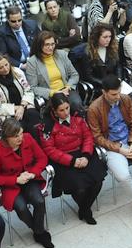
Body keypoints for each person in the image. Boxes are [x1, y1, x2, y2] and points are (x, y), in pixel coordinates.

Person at [87, 74, 132, 224]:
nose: (117, 97)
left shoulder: (126, 99)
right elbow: (97, 138)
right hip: (112, 146)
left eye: (119, 93)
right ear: (104, 92)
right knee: (122, 176)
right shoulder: (94, 109)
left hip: (129, 140)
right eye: (113, 94)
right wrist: (120, 149)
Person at [37, 93, 107, 224]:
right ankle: (86, 210)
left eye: (67, 108)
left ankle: (84, 208)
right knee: (79, 187)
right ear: (54, 111)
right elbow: (50, 150)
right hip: (63, 159)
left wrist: (86, 155)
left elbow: (87, 136)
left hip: (82, 153)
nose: (66, 112)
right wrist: (72, 161)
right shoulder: (46, 126)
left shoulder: (78, 115)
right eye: (61, 110)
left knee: (98, 181)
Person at [0, 118, 54, 248]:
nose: (20, 138)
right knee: (21, 208)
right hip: (10, 185)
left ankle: (39, 231)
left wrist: (33, 173)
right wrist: (15, 180)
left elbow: (42, 158)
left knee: (39, 201)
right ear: (6, 137)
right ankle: (38, 230)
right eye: (16, 136)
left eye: (21, 133)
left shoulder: (28, 138)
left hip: (29, 178)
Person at [24, 31, 82, 114]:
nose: (50, 47)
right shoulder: (32, 62)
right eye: (47, 45)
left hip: (66, 89)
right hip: (49, 94)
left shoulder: (62, 54)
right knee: (60, 109)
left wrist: (68, 86)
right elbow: (33, 87)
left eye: (52, 44)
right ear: (39, 45)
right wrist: (53, 92)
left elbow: (74, 74)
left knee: (77, 105)